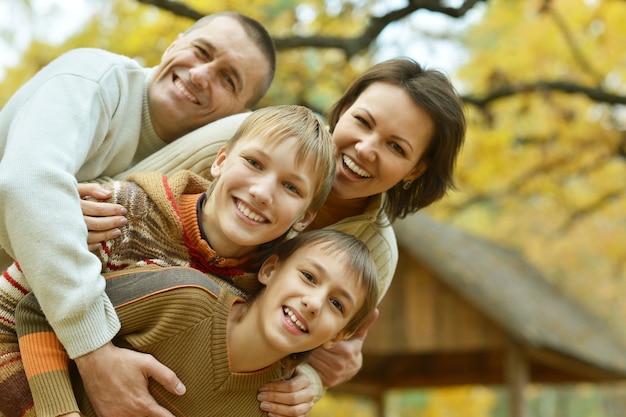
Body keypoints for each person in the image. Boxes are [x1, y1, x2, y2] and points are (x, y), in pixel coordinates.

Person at [82, 57, 467, 417]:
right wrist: (95, 353)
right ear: (345, 107)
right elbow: (121, 195)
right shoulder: (257, 138)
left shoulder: (375, 252)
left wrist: (313, 381)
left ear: (416, 169)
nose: (366, 149)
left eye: (396, 147)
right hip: (97, 312)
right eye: (363, 122)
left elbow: (318, 346)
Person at [0, 11, 276, 417]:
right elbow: (24, 185)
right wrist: (95, 352)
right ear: (175, 43)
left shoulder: (218, 184)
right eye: (200, 51)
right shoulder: (94, 78)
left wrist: (309, 372)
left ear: (238, 113)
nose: (201, 74)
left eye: (227, 79)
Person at [0, 104, 335, 417]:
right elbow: (5, 320)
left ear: (304, 218)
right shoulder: (122, 216)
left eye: (291, 187)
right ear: (220, 160)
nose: (262, 192)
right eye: (254, 163)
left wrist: (305, 376)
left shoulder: (268, 295)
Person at [17, 229, 379, 417]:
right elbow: (40, 309)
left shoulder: (271, 408)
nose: (313, 303)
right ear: (270, 269)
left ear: (339, 336)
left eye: (336, 304)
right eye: (308, 277)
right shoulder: (183, 294)